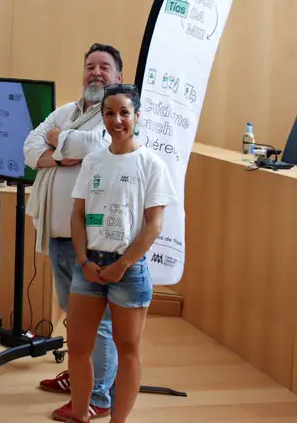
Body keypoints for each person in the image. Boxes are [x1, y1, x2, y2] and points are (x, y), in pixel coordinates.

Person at [24, 43, 123, 421]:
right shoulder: (66, 111)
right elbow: (29, 147)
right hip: (59, 235)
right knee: (73, 317)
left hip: (92, 242)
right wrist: (65, 152)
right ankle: (81, 377)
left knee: (96, 323)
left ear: (117, 77)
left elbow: (97, 148)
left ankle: (97, 396)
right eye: (90, 67)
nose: (95, 73)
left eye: (104, 67)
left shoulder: (114, 116)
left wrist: (58, 141)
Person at [66, 83, 176, 423]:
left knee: (127, 349)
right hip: (88, 269)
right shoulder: (93, 162)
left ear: (137, 117)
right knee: (79, 348)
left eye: (124, 113)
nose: (117, 120)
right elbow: (78, 216)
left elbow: (154, 225)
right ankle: (81, 413)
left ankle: (118, 420)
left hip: (128, 272)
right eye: (110, 113)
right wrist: (83, 260)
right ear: (103, 118)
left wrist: (123, 264)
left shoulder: (151, 164)